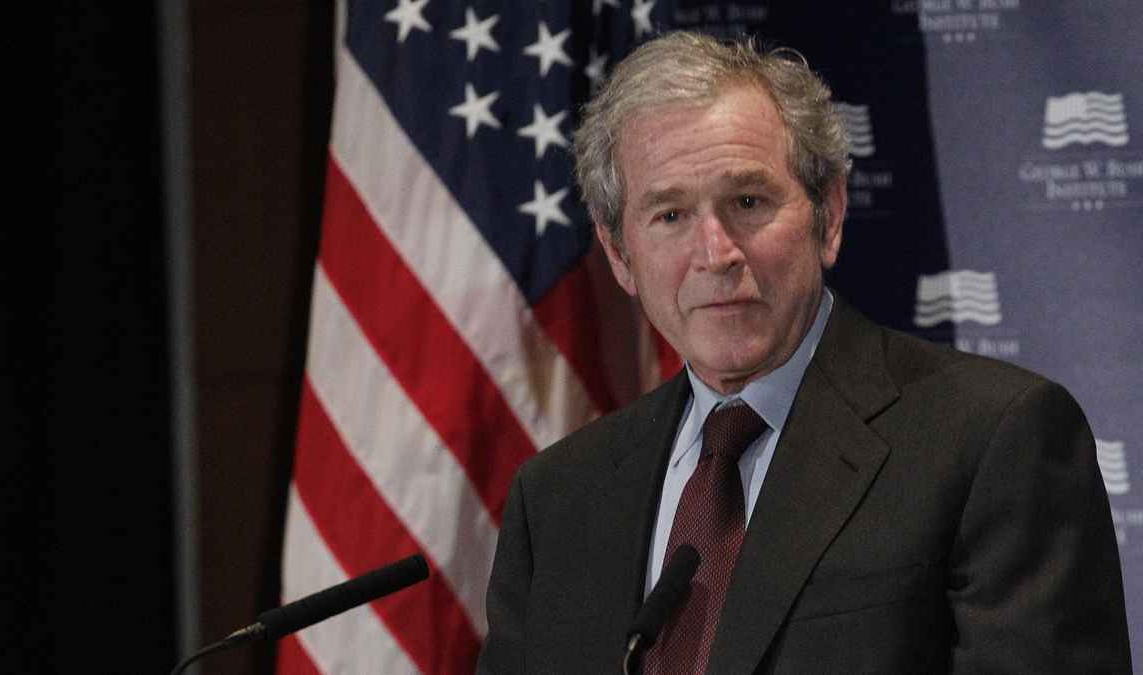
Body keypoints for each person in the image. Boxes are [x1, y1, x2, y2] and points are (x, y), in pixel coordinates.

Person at [477, 31, 1131, 674]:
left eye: (749, 201)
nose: (715, 252)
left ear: (831, 214)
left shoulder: (992, 441)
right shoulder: (558, 498)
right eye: (670, 215)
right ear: (620, 254)